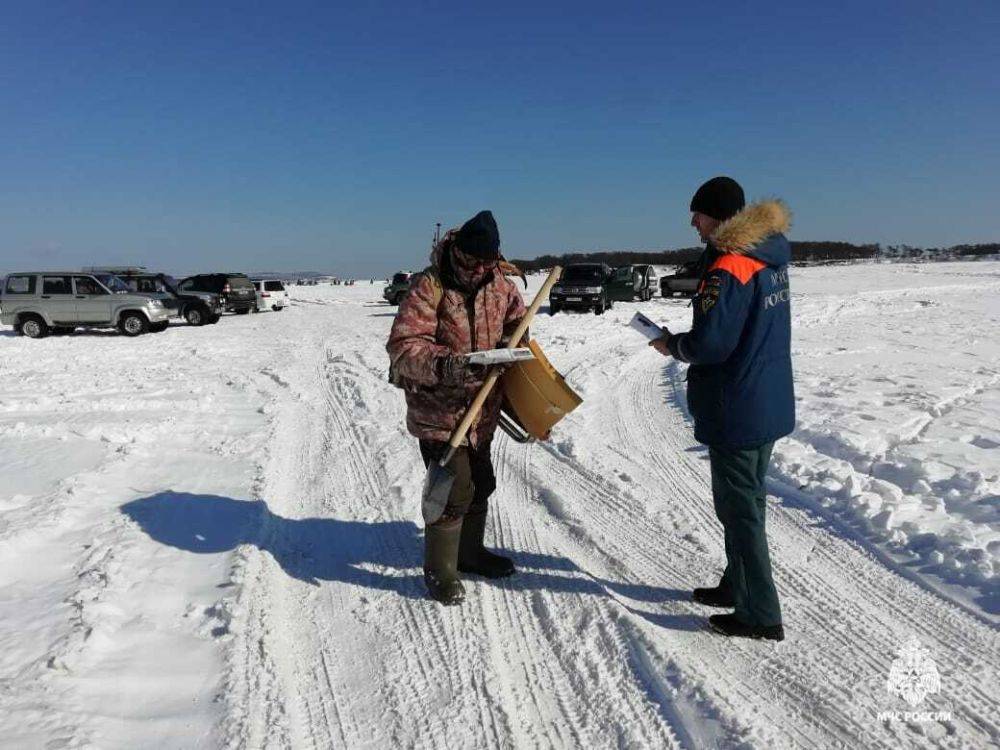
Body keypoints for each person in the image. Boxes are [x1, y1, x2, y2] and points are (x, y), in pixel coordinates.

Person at [651, 177, 795, 641]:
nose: (693, 223)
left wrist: (672, 344)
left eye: (698, 214)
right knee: (745, 502)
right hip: (764, 399)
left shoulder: (730, 265)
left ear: (719, 216)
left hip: (738, 404)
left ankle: (760, 613)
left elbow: (712, 343)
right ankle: (738, 584)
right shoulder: (767, 256)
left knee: (740, 510)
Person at [387, 210, 526, 605]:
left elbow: (517, 322)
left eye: (488, 262)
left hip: (482, 410)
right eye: (473, 262)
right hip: (438, 413)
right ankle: (440, 570)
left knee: (481, 483)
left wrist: (514, 343)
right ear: (458, 253)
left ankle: (469, 553)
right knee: (453, 490)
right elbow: (403, 349)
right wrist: (449, 365)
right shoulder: (429, 287)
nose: (480, 270)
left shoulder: (499, 285)